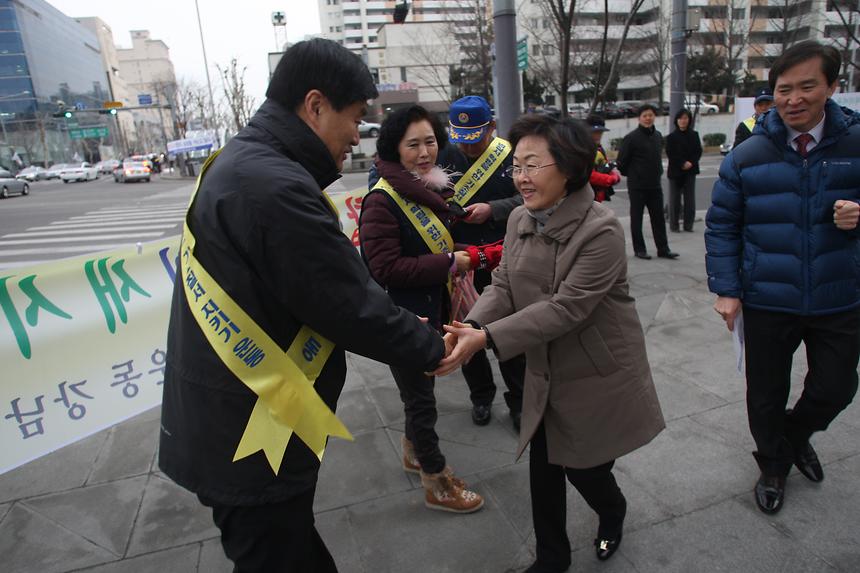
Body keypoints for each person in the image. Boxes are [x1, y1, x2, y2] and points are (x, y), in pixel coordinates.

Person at [158, 39, 449, 573]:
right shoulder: (272, 185)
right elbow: (347, 303)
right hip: (246, 432)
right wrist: (432, 346)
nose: (358, 135)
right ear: (315, 105)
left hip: (233, 422)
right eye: (356, 117)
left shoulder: (248, 164)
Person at [437, 115, 665, 572]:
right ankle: (551, 559)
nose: (520, 177)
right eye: (517, 166)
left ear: (569, 167)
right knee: (543, 470)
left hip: (592, 372)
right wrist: (469, 326)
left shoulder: (600, 229)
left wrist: (486, 339)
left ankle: (612, 510)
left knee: (586, 469)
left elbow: (566, 309)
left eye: (533, 165)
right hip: (541, 367)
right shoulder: (520, 217)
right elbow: (501, 284)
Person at [706, 40, 860, 515]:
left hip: (839, 295)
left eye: (807, 86)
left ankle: (791, 438)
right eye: (784, 89)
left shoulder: (856, 144)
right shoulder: (748, 154)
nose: (794, 98)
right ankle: (774, 464)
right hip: (768, 297)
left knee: (836, 388)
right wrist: (728, 289)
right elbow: (722, 225)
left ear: (833, 87)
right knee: (765, 394)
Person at [358, 104, 485, 514]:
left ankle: (414, 452)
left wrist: (459, 256)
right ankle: (436, 479)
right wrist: (449, 262)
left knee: (421, 391)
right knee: (421, 400)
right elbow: (384, 267)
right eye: (413, 144)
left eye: (430, 140)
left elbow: (431, 245)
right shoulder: (383, 199)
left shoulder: (429, 188)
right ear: (395, 148)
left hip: (433, 305)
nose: (424, 151)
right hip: (405, 317)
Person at [445, 95, 525, 430]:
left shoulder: (512, 156)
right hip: (461, 260)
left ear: (491, 127)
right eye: (461, 140)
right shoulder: (445, 157)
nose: (467, 148)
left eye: (475, 139)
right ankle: (480, 395)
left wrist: (494, 209)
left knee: (507, 332)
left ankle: (520, 400)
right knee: (466, 329)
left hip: (504, 257)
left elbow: (529, 197)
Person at [616, 104, 679, 260]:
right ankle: (639, 249)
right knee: (636, 218)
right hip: (637, 186)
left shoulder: (657, 136)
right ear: (639, 118)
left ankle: (663, 249)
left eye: (650, 115)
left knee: (658, 218)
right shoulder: (631, 138)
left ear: (654, 117)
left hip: (655, 184)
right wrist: (634, 174)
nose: (648, 118)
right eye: (645, 115)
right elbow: (621, 162)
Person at [665, 108, 703, 232]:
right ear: (676, 120)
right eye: (680, 118)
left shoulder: (694, 135)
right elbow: (671, 153)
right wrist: (682, 163)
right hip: (676, 172)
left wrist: (690, 162)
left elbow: (698, 151)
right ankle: (674, 225)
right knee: (675, 200)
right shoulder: (671, 137)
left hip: (690, 171)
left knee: (689, 200)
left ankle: (688, 225)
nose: (683, 121)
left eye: (685, 118)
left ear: (689, 120)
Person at [585, 114, 620, 203]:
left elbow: (604, 166)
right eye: (595, 132)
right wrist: (609, 179)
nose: (598, 135)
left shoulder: (599, 148)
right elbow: (587, 175)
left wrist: (614, 175)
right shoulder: (583, 149)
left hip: (597, 195)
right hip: (585, 196)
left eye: (600, 132)